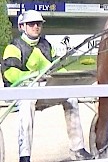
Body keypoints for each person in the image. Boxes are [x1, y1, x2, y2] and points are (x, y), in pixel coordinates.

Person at [1, 10, 93, 162]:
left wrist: (68, 77)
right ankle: (24, 156)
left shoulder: (46, 45)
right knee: (26, 102)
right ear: (22, 26)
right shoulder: (14, 47)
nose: (36, 27)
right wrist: (33, 77)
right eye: (31, 24)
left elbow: (56, 68)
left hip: (43, 90)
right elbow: (10, 74)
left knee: (71, 99)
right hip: (20, 92)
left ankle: (77, 149)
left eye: (39, 24)